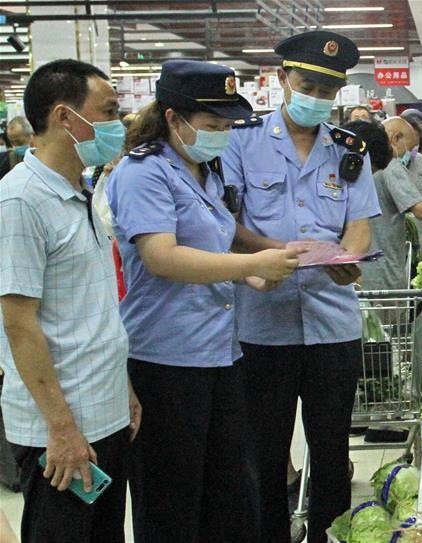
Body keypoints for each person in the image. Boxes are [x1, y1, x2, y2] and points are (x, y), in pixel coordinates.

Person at [107, 60, 301, 543]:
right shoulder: (143, 173)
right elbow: (162, 257)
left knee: (228, 496)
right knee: (173, 503)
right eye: (213, 126)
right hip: (165, 361)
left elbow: (218, 235)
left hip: (219, 352)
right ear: (174, 118)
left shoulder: (203, 170)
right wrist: (251, 267)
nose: (223, 135)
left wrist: (264, 257)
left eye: (228, 126)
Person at [221, 31, 382, 543]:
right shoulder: (240, 141)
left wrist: (349, 257)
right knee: (264, 450)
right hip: (262, 323)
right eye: (307, 83)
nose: (316, 96)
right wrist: (274, 253)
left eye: (327, 90)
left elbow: (360, 223)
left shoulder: (348, 150)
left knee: (332, 447)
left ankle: (327, 535)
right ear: (283, 80)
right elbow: (226, 221)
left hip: (333, 323)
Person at [0, 58, 139, 543]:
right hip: (61, 431)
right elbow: (19, 324)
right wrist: (60, 430)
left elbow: (91, 307)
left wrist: (123, 386)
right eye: (108, 111)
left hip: (104, 414)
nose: (117, 124)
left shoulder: (78, 191)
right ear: (65, 117)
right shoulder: (21, 201)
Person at [358, 119, 422, 290]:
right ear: (395, 138)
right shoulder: (390, 165)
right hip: (382, 268)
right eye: (412, 146)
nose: (413, 152)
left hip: (361, 266)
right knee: (387, 314)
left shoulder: (361, 163)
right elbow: (421, 210)